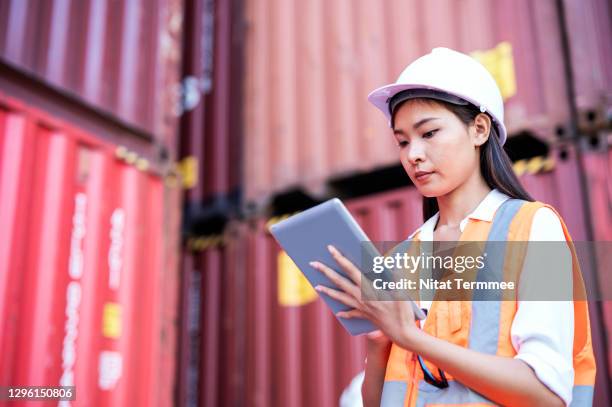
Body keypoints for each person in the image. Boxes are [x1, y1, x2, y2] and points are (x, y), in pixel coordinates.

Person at [308, 48, 596, 406]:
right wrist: (379, 343)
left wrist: (411, 337)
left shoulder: (532, 227)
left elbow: (547, 396)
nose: (412, 153)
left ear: (479, 129)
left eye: (428, 133)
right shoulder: (401, 259)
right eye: (402, 141)